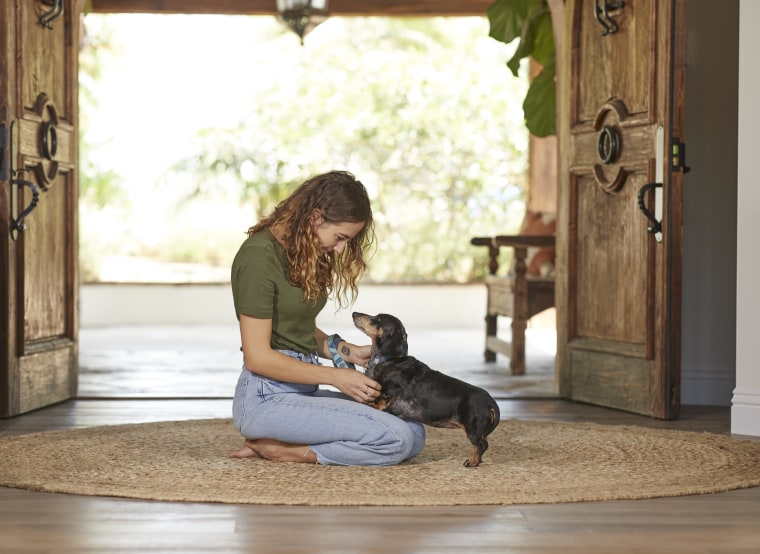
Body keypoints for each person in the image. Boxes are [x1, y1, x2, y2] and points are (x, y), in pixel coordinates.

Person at [229, 170, 426, 466]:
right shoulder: (258, 258)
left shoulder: (299, 252)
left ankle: (283, 440)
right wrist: (337, 377)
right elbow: (258, 357)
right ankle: (288, 452)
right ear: (316, 217)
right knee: (397, 438)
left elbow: (300, 329)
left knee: (413, 431)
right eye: (340, 237)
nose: (340, 248)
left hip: (300, 392)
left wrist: (347, 351)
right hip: (265, 399)